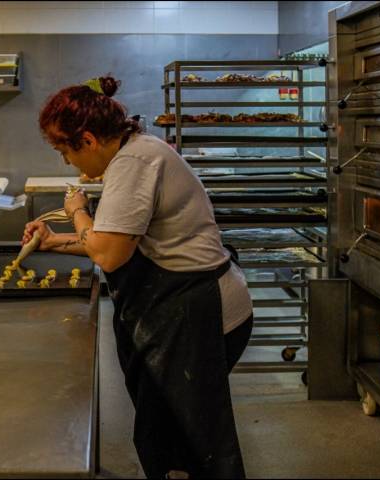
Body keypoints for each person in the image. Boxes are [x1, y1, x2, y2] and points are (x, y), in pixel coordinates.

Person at [23, 75, 253, 479]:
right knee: (165, 431)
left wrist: (76, 210)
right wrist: (54, 241)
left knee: (187, 439)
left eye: (65, 150)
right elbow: (114, 242)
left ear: (89, 140)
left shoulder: (133, 163)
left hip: (197, 313)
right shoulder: (134, 154)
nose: (67, 162)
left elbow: (109, 255)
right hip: (180, 308)